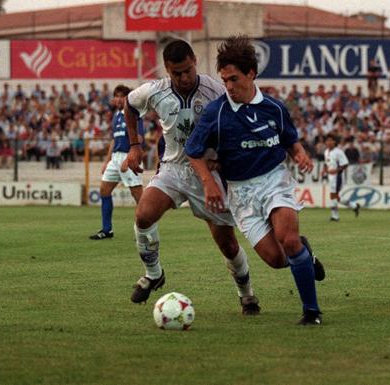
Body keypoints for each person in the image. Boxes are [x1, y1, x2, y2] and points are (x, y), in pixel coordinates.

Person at [185, 35, 325, 325]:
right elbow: (193, 152)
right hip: (240, 193)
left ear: (251, 74)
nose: (229, 86)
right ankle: (305, 255)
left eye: (234, 79)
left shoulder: (274, 107)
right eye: (225, 81)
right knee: (276, 259)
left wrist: (300, 154)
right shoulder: (216, 112)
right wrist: (210, 183)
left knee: (288, 238)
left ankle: (311, 312)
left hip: (275, 181)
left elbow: (290, 140)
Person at [121, 39, 260, 315]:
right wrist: (134, 146)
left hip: (207, 173)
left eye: (187, 70)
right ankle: (153, 274)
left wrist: (224, 156)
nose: (184, 78)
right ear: (166, 69)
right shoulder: (155, 91)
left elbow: (238, 120)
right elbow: (129, 105)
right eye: (176, 73)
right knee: (143, 216)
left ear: (195, 60)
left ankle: (247, 295)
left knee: (228, 243)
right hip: (173, 168)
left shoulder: (216, 90)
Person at [90, 85, 144, 240]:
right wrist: (107, 161)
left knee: (139, 196)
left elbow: (139, 138)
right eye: (117, 96)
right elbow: (115, 140)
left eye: (122, 96)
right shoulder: (116, 116)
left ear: (128, 98)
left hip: (129, 157)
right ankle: (107, 230)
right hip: (115, 158)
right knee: (104, 190)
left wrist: (129, 158)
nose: (119, 99)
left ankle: (144, 231)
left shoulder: (134, 114)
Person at [322, 133, 359, 221]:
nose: (329, 142)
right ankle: (354, 205)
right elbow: (326, 163)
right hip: (330, 177)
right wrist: (325, 170)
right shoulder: (326, 152)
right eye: (327, 140)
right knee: (336, 197)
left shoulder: (338, 152)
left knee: (333, 195)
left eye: (331, 140)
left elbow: (345, 164)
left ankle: (335, 216)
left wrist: (336, 170)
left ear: (335, 142)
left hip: (338, 177)